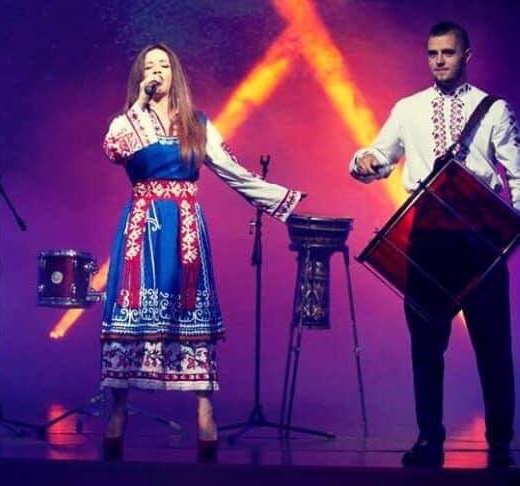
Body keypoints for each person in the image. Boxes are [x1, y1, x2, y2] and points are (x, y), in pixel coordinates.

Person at [101, 43, 303, 460]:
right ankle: (118, 410)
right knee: (132, 313)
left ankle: (205, 410)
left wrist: (282, 200)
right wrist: (139, 104)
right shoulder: (127, 120)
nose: (157, 72)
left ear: (175, 73)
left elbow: (232, 171)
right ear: (139, 75)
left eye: (163, 65)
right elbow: (113, 150)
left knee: (192, 312)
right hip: (144, 229)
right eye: (149, 66)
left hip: (186, 228)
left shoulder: (197, 123)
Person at [349, 21, 519, 467]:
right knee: (426, 347)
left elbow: (518, 176)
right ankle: (429, 439)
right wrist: (365, 160)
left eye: (448, 52)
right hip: (426, 240)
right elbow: (380, 155)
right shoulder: (408, 109)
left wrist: (513, 232)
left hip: (479, 242)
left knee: (493, 346)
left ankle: (501, 441)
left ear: (467, 56)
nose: (439, 60)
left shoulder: (494, 110)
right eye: (432, 53)